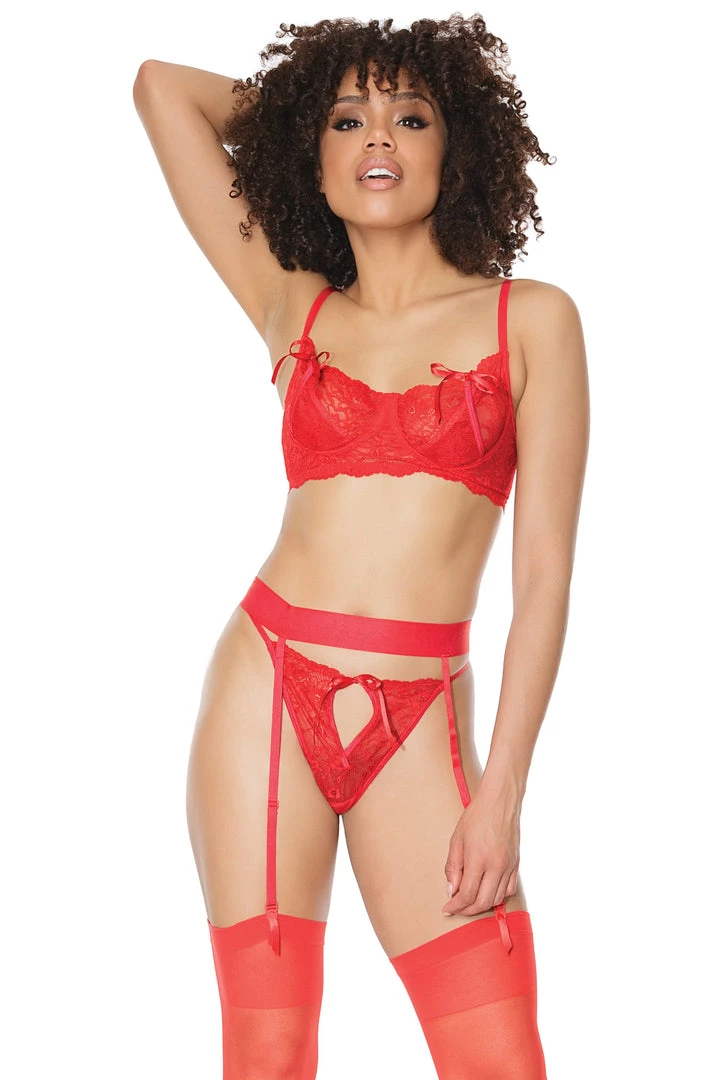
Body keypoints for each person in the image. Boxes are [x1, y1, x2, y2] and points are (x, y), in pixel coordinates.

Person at [133, 13, 589, 1079]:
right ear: (316, 153)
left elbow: (545, 578)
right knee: (270, 1052)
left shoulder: (532, 320)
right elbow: (161, 88)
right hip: (264, 686)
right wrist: (309, 116)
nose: (378, 137)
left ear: (457, 145)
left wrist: (502, 792)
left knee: (498, 1059)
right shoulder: (292, 302)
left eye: (411, 118)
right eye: (349, 122)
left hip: (421, 717)